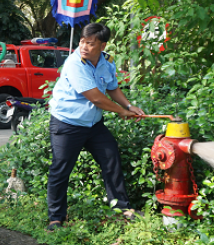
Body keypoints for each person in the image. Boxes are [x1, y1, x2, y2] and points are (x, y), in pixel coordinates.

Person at [45, 22, 145, 232]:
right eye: (82, 41)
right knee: (60, 169)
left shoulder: (106, 62)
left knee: (111, 159)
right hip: (67, 123)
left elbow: (112, 88)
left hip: (93, 124)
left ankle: (121, 208)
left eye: (90, 43)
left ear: (102, 45)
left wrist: (128, 105)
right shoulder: (75, 63)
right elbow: (96, 98)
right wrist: (120, 111)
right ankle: (56, 218)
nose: (84, 46)